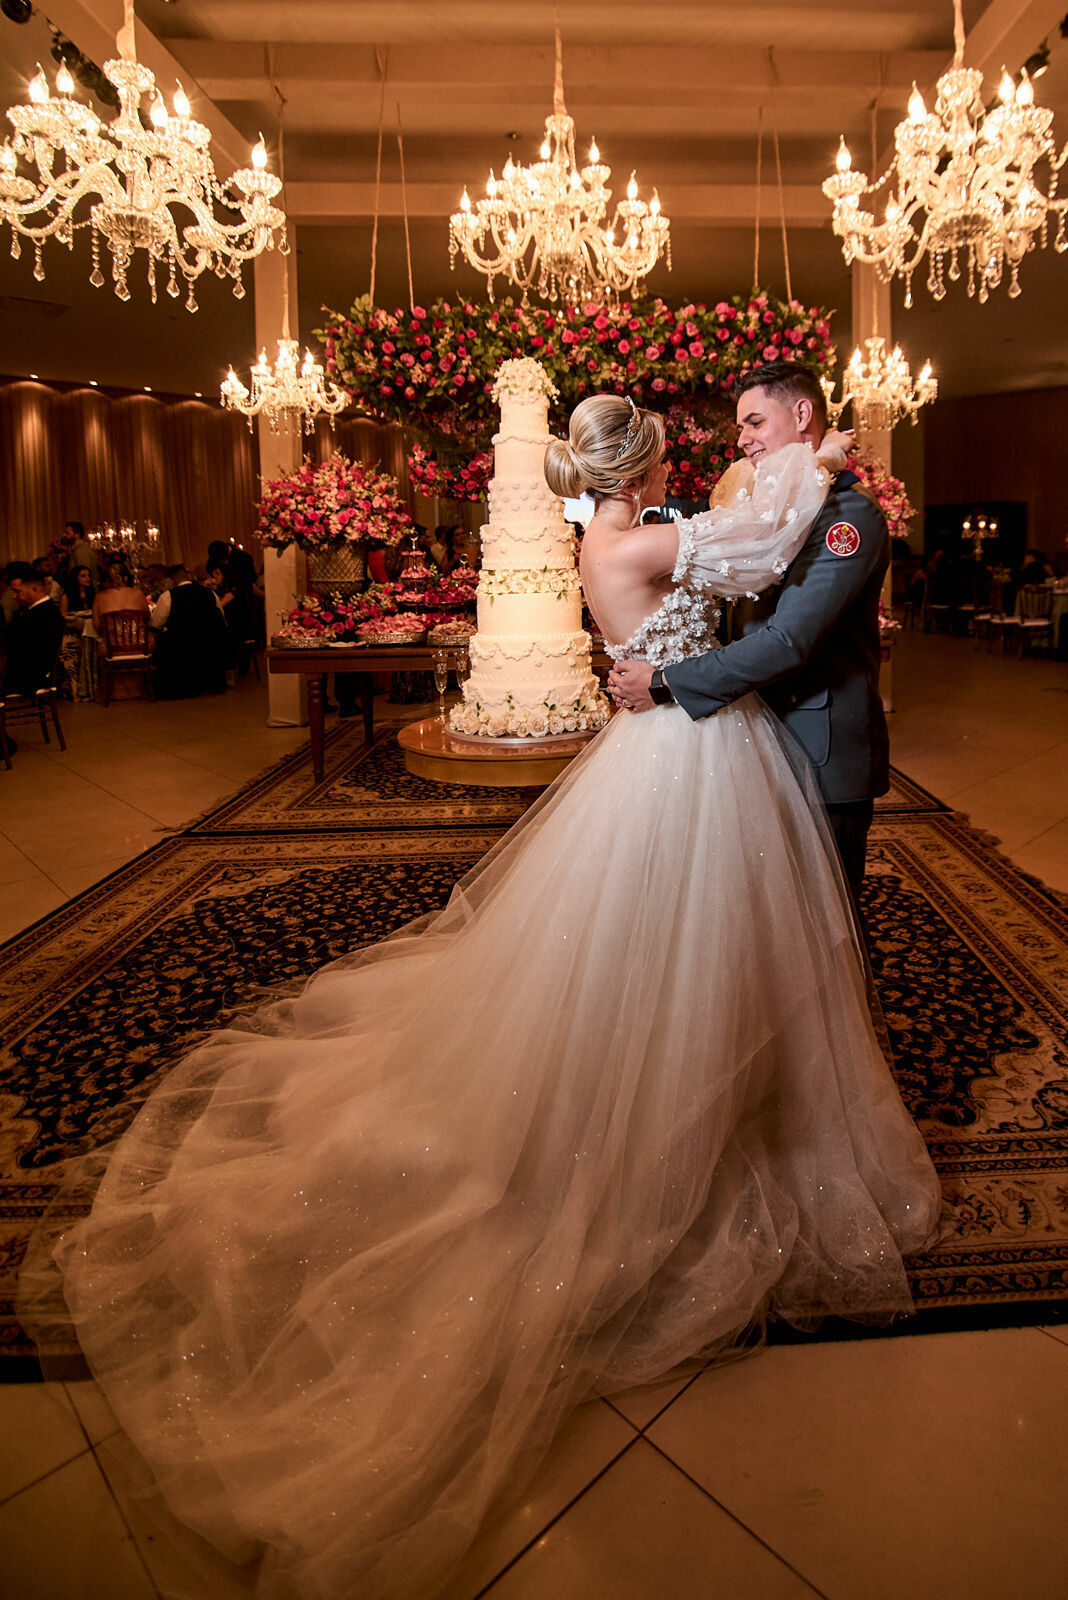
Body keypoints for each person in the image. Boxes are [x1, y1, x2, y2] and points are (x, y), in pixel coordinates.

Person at [20, 397, 941, 1600]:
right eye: (671, 447)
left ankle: (708, 1087)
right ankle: (661, 1127)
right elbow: (768, 544)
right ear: (643, 466)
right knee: (681, 947)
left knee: (684, 950)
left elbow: (735, 544)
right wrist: (815, 463)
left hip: (682, 743)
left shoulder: (625, 530)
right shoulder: (640, 541)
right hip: (688, 753)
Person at [609, 361, 890, 905]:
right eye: (742, 428)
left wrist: (666, 681)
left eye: (755, 422)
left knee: (828, 922)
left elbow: (788, 642)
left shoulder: (846, 518)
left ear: (803, 413)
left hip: (820, 752)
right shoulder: (774, 513)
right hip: (760, 740)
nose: (744, 441)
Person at [150, 563, 228, 698]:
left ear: (172, 580)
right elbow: (220, 616)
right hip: (208, 645)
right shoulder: (210, 593)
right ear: (187, 576)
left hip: (181, 647)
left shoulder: (168, 596)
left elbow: (156, 623)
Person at [3, 569, 64, 697]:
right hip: (27, 673)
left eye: (17, 591)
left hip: (29, 679)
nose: (13, 596)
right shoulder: (39, 611)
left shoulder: (42, 615)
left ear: (35, 590)